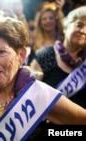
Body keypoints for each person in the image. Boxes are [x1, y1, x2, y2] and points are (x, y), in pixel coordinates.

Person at [30, 5, 86, 139]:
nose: (83, 30)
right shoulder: (46, 55)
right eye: (79, 24)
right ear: (66, 26)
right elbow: (29, 95)